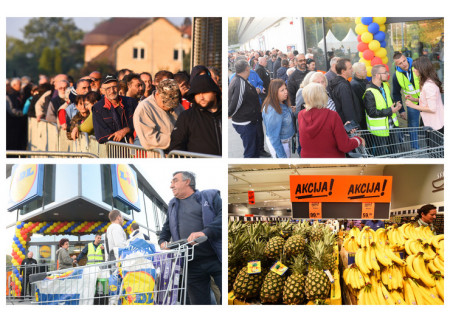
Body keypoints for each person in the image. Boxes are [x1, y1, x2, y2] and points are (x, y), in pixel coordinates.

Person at [158, 171, 222, 305]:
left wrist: (205, 232)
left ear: (187, 182)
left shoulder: (209, 197)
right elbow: (166, 228)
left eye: (175, 181)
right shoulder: (173, 205)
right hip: (191, 263)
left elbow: (222, 218)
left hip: (216, 258)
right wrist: (162, 241)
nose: (171, 186)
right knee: (199, 303)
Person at [298, 83, 364, 158]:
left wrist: (342, 128)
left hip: (308, 161)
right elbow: (344, 146)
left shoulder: (301, 115)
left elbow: (319, 135)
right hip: (331, 161)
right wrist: (358, 140)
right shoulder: (332, 115)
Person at [168, 74, 222, 156]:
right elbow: (176, 148)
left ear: (214, 92)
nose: (201, 97)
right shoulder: (186, 117)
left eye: (205, 92)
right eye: (197, 93)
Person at [133, 79, 184, 150]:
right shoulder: (144, 108)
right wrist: (178, 140)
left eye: (172, 103)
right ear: (157, 94)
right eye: (165, 102)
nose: (169, 106)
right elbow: (149, 140)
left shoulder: (178, 106)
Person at [363, 64, 402, 156]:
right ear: (377, 75)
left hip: (391, 126)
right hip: (379, 130)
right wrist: (390, 110)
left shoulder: (384, 86)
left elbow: (389, 102)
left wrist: (396, 105)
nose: (387, 74)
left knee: (394, 151)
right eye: (384, 73)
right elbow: (372, 112)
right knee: (381, 154)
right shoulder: (369, 92)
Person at [228, 59, 263, 158]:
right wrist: (229, 114)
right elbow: (236, 102)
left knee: (254, 149)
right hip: (245, 123)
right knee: (250, 152)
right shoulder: (240, 82)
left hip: (248, 121)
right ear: (247, 68)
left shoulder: (239, 79)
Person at [92, 74, 137, 144]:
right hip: (113, 152)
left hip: (136, 147)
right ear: (102, 91)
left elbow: (140, 123)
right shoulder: (97, 108)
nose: (112, 91)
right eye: (108, 89)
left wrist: (127, 130)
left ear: (118, 87)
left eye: (114, 87)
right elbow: (101, 136)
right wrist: (127, 138)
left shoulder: (131, 102)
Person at [405, 56, 444, 133]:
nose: (413, 70)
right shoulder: (428, 82)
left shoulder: (428, 86)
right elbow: (430, 101)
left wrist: (413, 105)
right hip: (433, 124)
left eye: (415, 68)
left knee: (433, 145)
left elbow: (432, 108)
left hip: (434, 125)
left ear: (421, 69)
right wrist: (415, 99)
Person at [262, 79, 295, 158]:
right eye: (282, 90)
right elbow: (273, 137)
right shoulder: (273, 111)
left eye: (286, 88)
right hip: (281, 144)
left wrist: (290, 110)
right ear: (274, 92)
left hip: (285, 141)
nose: (286, 92)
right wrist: (282, 156)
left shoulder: (281, 102)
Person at [328, 58, 363, 127]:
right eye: (350, 68)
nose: (352, 70)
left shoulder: (343, 83)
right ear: (343, 71)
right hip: (350, 127)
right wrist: (353, 126)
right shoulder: (343, 86)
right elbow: (348, 108)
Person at [350, 62, 369, 129]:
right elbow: (362, 102)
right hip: (362, 117)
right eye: (364, 70)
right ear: (357, 73)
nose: (366, 71)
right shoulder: (355, 85)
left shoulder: (364, 81)